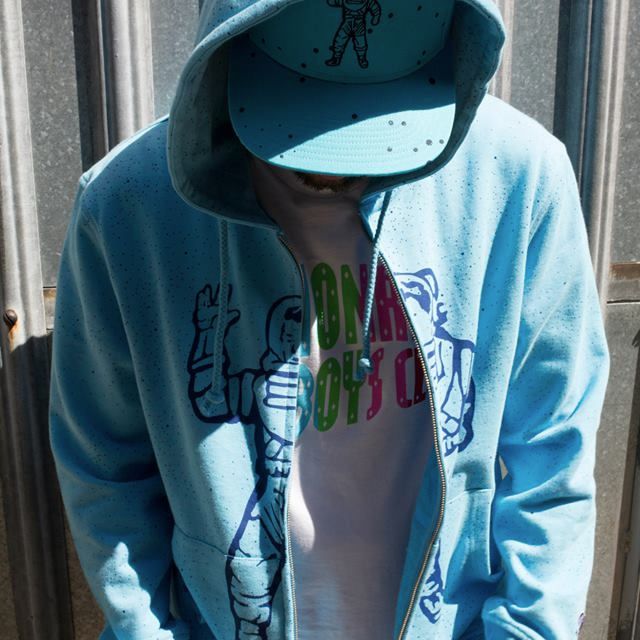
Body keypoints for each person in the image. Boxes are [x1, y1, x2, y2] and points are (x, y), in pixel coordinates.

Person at [48, 0, 610, 638]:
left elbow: (553, 450)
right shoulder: (129, 208)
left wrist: (530, 629)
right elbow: (106, 470)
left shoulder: (518, 179)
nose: (336, 159)